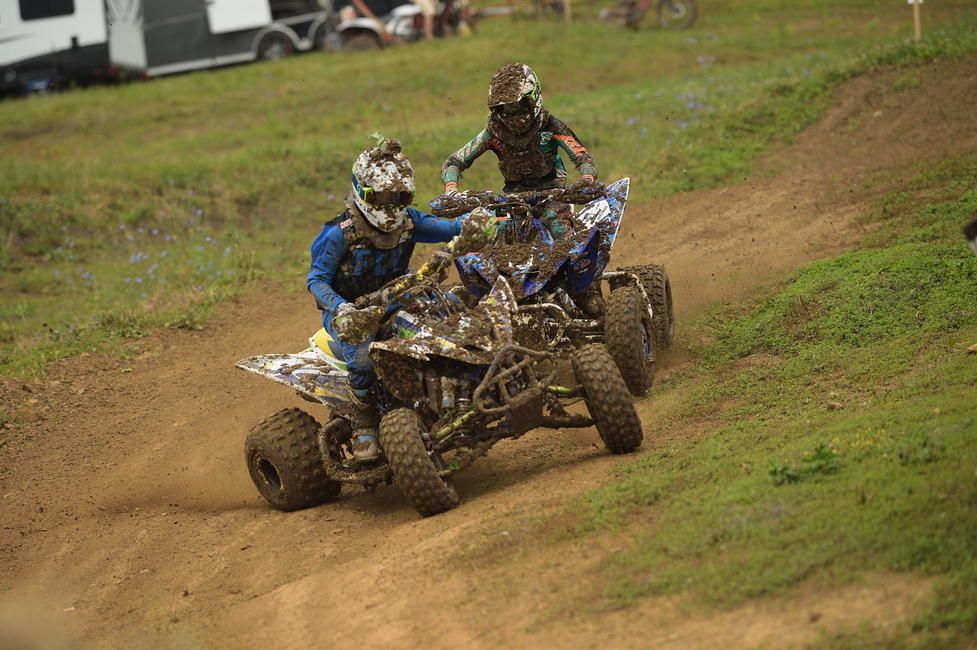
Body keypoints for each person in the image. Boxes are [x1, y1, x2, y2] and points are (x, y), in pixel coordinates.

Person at [307, 139, 466, 462]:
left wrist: (482, 224)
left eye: (400, 198)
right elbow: (316, 280)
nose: (391, 206)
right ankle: (363, 422)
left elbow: (451, 228)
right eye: (381, 197)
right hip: (352, 313)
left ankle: (457, 390)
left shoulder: (409, 221)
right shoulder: (339, 234)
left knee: (451, 307)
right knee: (363, 357)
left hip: (397, 299)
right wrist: (341, 308)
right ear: (363, 192)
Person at [440, 62, 604, 315]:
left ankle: (586, 291)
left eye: (519, 106)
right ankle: (485, 290)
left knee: (562, 229)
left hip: (552, 192)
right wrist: (452, 190)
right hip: (511, 198)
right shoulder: (492, 133)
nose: (513, 115)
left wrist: (586, 181)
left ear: (534, 99)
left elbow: (582, 157)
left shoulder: (550, 126)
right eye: (505, 110)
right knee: (486, 234)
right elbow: (455, 161)